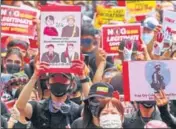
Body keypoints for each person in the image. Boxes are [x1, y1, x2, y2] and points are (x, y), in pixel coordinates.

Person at [15, 61, 82, 128]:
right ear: (48, 84)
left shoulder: (77, 111)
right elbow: (20, 107)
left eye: (63, 79)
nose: (58, 81)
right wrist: (35, 76)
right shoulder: (37, 107)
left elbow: (91, 108)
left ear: (72, 85)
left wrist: (83, 77)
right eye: (54, 78)